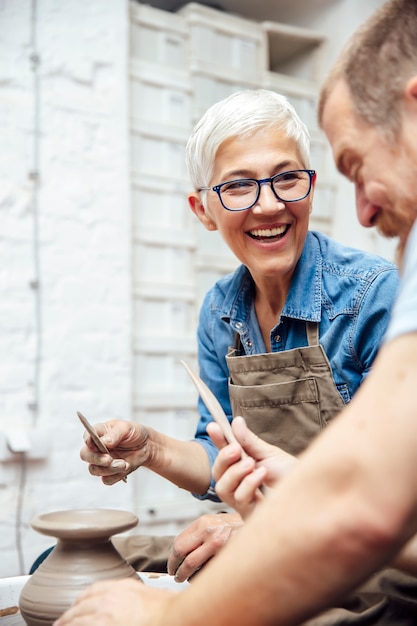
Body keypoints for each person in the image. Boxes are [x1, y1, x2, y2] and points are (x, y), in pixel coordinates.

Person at [53, 29, 417, 620]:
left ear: (310, 187)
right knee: (68, 569)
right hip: (288, 526)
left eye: (286, 177)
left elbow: (382, 503)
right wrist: (148, 447)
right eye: (239, 185)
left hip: (368, 555)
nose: (269, 204)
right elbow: (218, 460)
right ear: (203, 209)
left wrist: (271, 528)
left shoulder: (376, 294)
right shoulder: (223, 310)